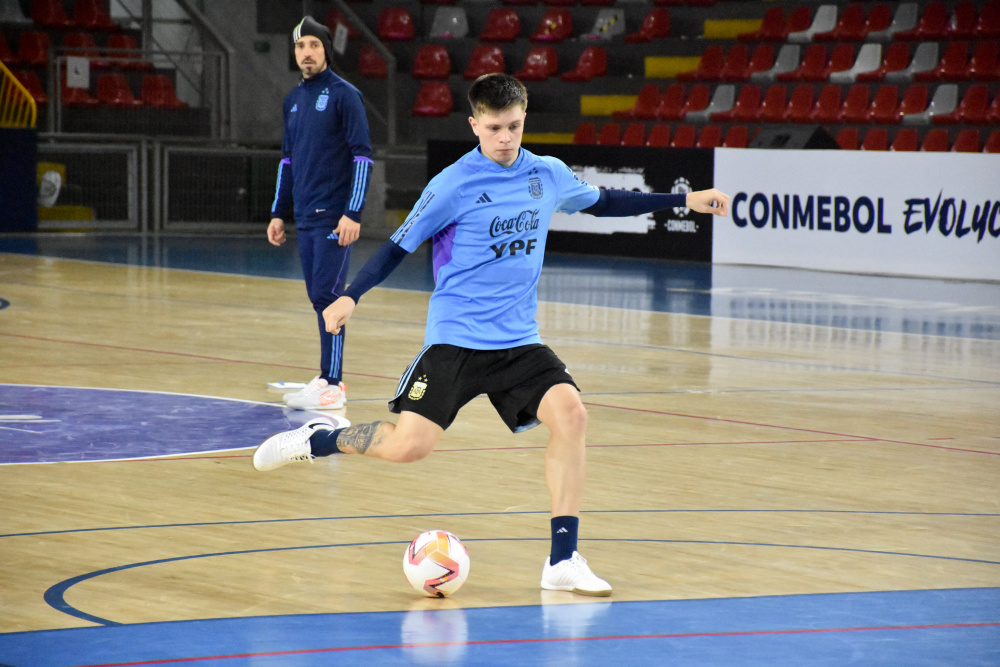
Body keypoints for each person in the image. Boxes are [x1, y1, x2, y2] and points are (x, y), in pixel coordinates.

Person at [253, 73, 729, 596]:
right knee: (410, 448)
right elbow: (397, 246)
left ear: (524, 120)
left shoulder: (546, 174)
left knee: (572, 414)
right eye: (496, 127)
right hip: (456, 338)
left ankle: (563, 560)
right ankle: (319, 440)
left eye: (515, 126)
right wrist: (351, 295)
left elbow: (606, 202)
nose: (506, 138)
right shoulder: (453, 184)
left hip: (519, 340)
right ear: (475, 124)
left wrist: (684, 200)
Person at [268, 16, 374, 411]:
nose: (306, 53)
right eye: (300, 46)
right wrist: (279, 212)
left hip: (335, 216)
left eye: (313, 45)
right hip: (306, 215)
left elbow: (363, 155)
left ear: (326, 50)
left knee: (329, 296)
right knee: (318, 296)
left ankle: (334, 384)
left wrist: (354, 212)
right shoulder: (292, 100)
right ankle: (326, 377)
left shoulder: (346, 95)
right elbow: (287, 161)